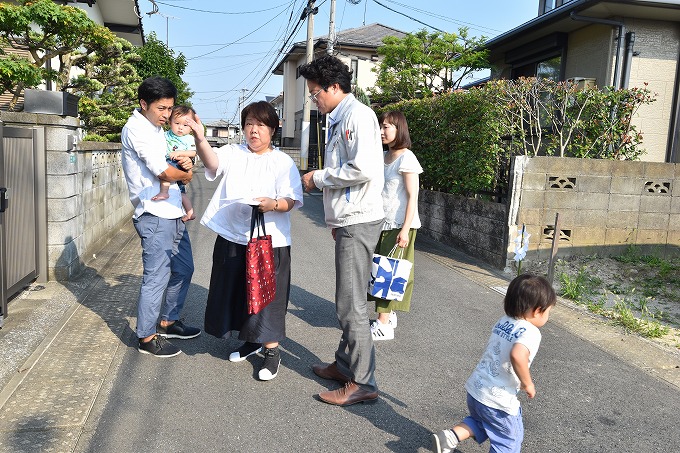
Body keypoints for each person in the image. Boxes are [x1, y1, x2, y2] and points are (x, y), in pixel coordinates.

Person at [190, 101, 303, 381]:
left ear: (273, 130)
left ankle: (272, 351)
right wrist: (200, 138)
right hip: (232, 234)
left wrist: (273, 204)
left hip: (269, 240)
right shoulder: (233, 152)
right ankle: (251, 341)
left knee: (268, 296)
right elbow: (212, 162)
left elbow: (292, 199)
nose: (254, 130)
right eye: (249, 124)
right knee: (238, 289)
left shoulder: (282, 162)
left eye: (261, 125)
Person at [299, 55, 385, 406]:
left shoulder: (357, 116)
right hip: (350, 220)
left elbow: (361, 168)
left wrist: (317, 177)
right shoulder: (341, 117)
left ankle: (363, 381)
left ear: (335, 88)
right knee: (347, 299)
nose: (314, 99)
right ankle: (345, 364)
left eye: (316, 93)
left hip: (359, 219)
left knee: (350, 305)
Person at [431, 273, 557, 453]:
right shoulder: (531, 331)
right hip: (498, 401)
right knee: (508, 440)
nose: (548, 316)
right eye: (548, 311)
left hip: (476, 390)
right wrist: (527, 383)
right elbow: (517, 355)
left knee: (483, 422)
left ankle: (451, 436)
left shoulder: (503, 321)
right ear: (537, 310)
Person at [121, 76, 201, 358]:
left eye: (170, 108)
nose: (167, 115)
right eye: (161, 109)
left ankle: (168, 320)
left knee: (184, 268)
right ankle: (146, 336)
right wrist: (188, 173)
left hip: (174, 211)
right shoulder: (136, 130)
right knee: (156, 276)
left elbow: (178, 158)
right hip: (154, 214)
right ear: (144, 104)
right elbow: (164, 172)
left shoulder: (157, 129)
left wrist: (188, 162)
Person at [369, 111, 423, 341]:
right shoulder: (382, 156)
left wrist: (404, 230)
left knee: (389, 274)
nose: (382, 131)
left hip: (399, 224)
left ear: (399, 129)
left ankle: (383, 325)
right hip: (381, 222)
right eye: (381, 126)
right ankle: (387, 316)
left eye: (387, 127)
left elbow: (413, 196)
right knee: (381, 270)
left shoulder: (407, 158)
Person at [152, 105, 198, 222]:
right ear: (170, 122)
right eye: (177, 123)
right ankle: (190, 213)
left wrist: (180, 153)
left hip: (178, 164)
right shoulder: (165, 134)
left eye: (185, 125)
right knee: (181, 193)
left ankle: (164, 192)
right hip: (170, 160)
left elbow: (193, 152)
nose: (180, 128)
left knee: (165, 172)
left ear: (191, 128)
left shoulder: (189, 139)